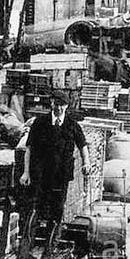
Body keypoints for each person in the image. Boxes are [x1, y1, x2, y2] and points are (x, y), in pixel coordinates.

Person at [20, 91, 91, 231]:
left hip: (61, 175)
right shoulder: (39, 123)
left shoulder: (72, 125)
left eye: (62, 105)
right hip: (40, 174)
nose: (58, 108)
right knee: (38, 206)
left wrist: (86, 163)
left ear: (67, 106)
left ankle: (52, 238)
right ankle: (34, 236)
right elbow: (29, 149)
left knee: (57, 207)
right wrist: (26, 173)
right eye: (56, 104)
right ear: (51, 103)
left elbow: (83, 146)